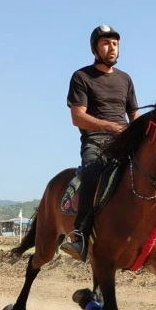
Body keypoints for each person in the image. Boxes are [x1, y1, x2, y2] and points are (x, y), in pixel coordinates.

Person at [60, 25, 140, 261]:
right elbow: (78, 117)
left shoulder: (126, 79)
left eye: (115, 43)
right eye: (106, 43)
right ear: (94, 49)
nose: (112, 47)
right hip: (96, 141)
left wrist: (140, 135)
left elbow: (134, 115)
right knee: (93, 173)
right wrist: (109, 126)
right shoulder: (81, 76)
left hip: (125, 140)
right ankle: (80, 235)